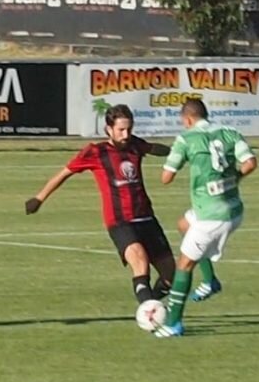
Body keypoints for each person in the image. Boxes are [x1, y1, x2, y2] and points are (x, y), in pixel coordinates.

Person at [25, 104, 176, 307]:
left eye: (129, 129)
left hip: (147, 218)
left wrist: (178, 151)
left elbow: (152, 148)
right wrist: (39, 198)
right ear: (108, 129)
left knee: (170, 274)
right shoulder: (96, 152)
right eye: (121, 130)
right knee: (139, 261)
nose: (126, 134)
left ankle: (150, 306)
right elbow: (65, 173)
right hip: (120, 222)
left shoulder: (135, 145)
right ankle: (149, 311)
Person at [152, 97, 255, 338]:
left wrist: (186, 157)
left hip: (212, 217)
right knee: (184, 224)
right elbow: (250, 163)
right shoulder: (230, 132)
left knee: (184, 265)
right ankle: (210, 282)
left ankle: (174, 323)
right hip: (234, 209)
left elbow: (165, 178)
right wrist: (234, 178)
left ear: (187, 119)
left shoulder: (185, 139)